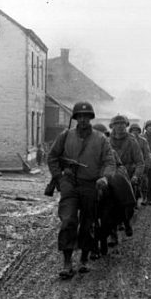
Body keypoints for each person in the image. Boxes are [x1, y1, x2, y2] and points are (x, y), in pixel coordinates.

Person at [47, 101, 116, 278]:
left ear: (91, 118)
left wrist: (104, 177)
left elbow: (109, 162)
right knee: (68, 220)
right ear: (75, 118)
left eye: (86, 116)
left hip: (91, 184)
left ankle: (84, 258)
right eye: (80, 116)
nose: (83, 120)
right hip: (69, 183)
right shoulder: (65, 136)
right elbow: (53, 157)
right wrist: (59, 178)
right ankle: (67, 262)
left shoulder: (101, 139)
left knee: (88, 222)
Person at [108, 114, 144, 238]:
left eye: (123, 124)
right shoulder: (107, 141)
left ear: (126, 126)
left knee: (128, 204)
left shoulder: (132, 141)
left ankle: (126, 221)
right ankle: (112, 232)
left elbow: (140, 162)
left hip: (128, 175)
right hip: (111, 175)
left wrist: (135, 176)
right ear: (112, 126)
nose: (120, 127)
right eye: (117, 124)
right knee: (108, 204)